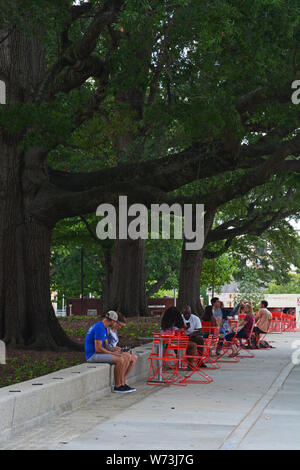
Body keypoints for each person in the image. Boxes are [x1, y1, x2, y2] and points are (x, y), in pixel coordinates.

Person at [84, 310, 136, 394]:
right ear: (112, 321)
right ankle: (118, 386)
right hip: (92, 355)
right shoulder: (100, 328)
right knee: (120, 360)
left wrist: (114, 349)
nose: (116, 324)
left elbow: (106, 345)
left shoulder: (103, 327)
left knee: (126, 356)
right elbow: (98, 349)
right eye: (116, 322)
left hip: (98, 353)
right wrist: (113, 353)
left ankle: (123, 383)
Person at [106, 311, 138, 380]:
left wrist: (118, 348)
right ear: (115, 322)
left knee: (134, 357)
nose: (120, 327)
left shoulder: (115, 330)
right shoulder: (107, 330)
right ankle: (120, 381)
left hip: (116, 351)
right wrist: (113, 349)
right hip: (110, 352)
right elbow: (105, 345)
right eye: (119, 325)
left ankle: (123, 379)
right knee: (127, 357)